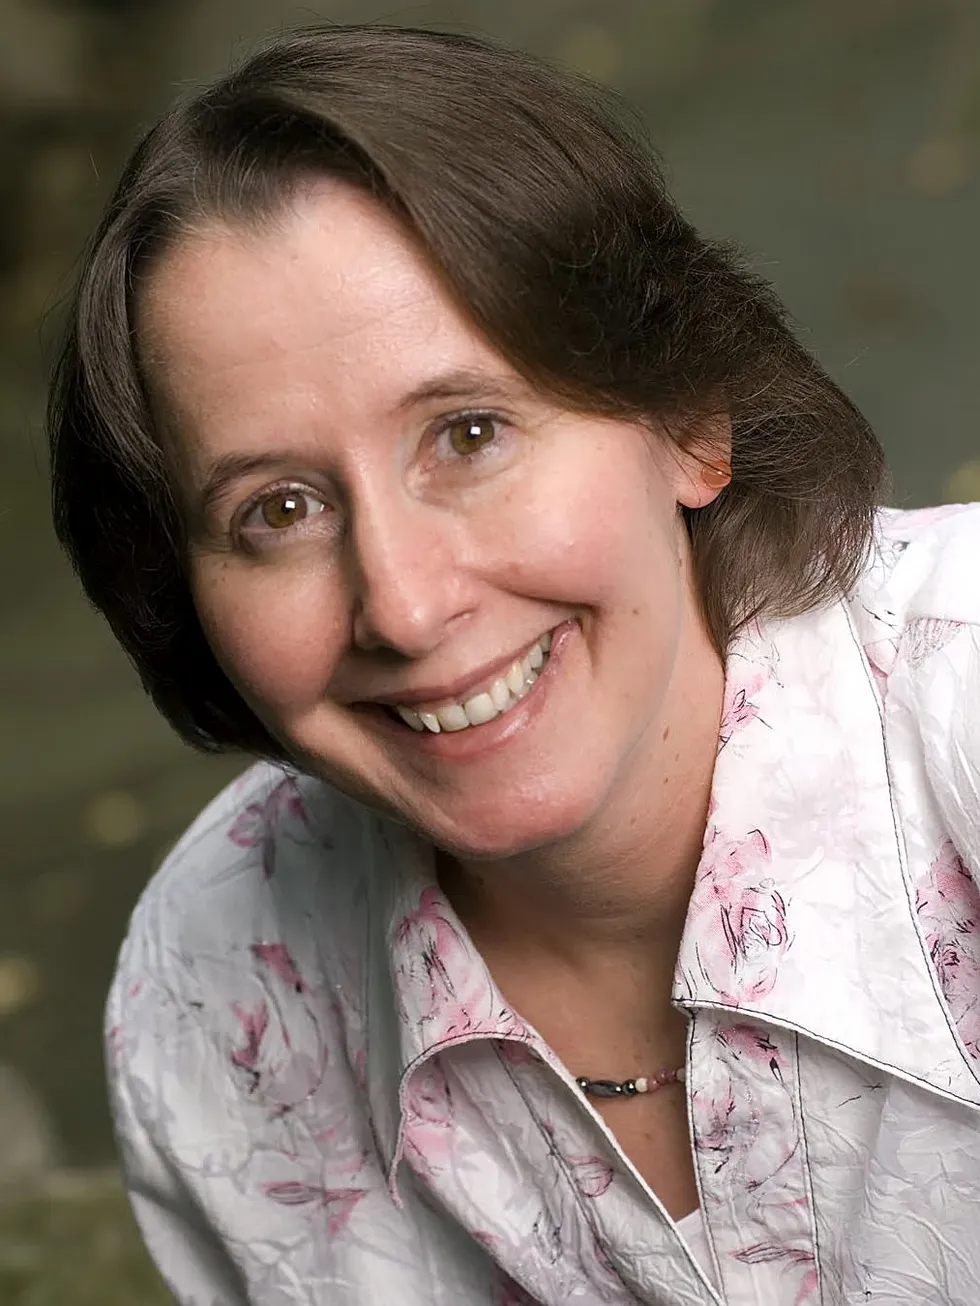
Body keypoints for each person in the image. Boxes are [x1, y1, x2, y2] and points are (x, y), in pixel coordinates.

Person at [48, 23, 980, 1306]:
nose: (405, 605)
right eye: (277, 510)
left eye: (469, 434)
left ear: (685, 416)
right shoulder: (214, 993)